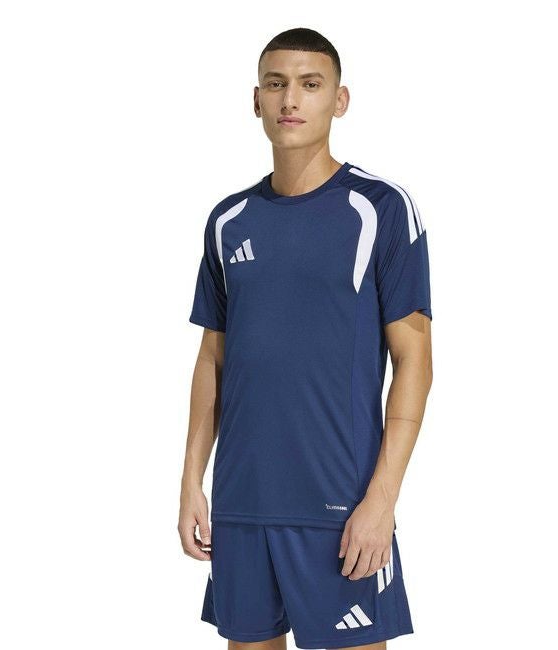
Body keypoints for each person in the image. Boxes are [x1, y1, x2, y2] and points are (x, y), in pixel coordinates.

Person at [178, 26, 433, 650]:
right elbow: (213, 360)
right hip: (242, 503)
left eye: (310, 84)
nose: (290, 99)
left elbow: (415, 362)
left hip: (339, 507)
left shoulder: (379, 209)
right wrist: (191, 482)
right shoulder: (228, 220)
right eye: (276, 84)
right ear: (256, 100)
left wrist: (381, 501)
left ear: (339, 100)